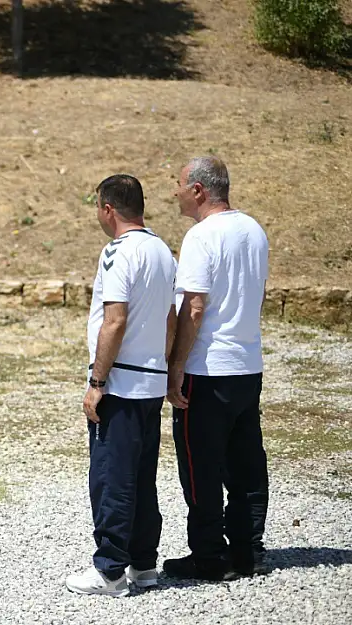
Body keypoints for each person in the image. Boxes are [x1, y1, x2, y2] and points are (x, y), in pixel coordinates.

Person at [66, 175, 176, 597]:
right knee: (142, 478)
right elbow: (170, 320)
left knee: (112, 478)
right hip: (150, 383)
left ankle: (110, 569)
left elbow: (114, 319)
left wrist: (98, 380)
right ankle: (144, 565)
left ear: (107, 208)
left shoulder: (117, 253)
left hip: (122, 385)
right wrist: (162, 368)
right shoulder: (163, 251)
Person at [165, 156, 270, 581]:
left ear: (197, 190)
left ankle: (208, 555)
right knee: (245, 464)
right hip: (248, 365)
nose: (174, 192)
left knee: (200, 466)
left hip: (208, 369)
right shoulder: (254, 230)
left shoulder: (201, 236)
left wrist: (175, 367)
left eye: (178, 185)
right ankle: (247, 550)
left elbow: (194, 306)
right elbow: (259, 295)